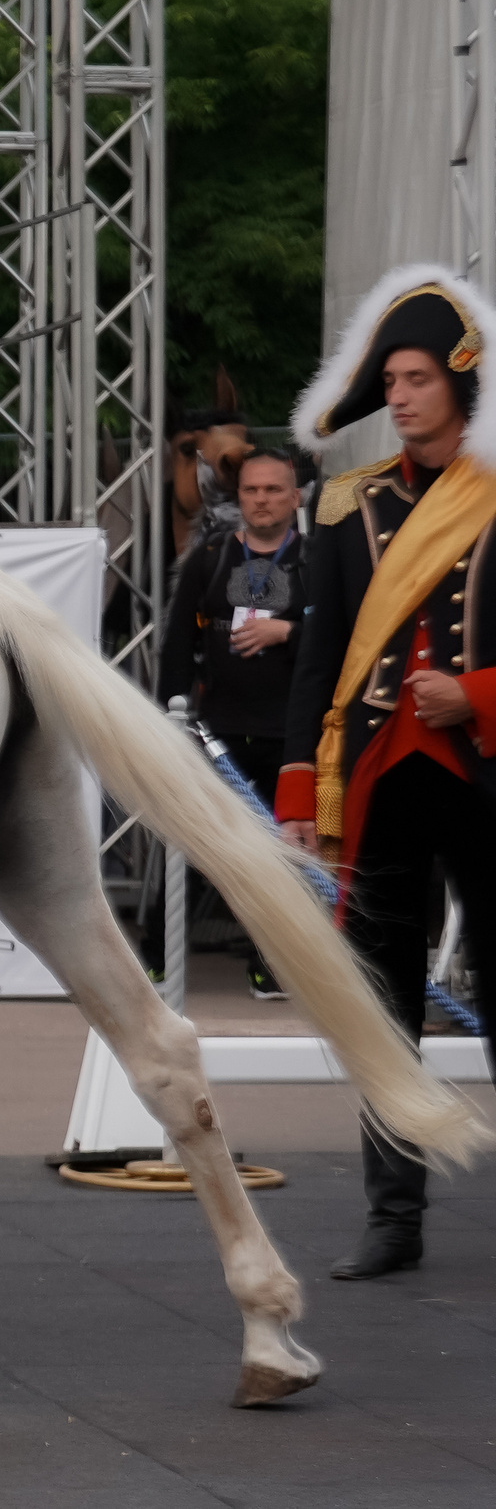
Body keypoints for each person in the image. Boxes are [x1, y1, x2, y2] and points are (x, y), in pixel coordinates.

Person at [275, 267, 496, 1281]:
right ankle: (392, 1219)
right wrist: (293, 791)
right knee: (379, 1006)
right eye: (391, 380)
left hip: (481, 771)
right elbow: (313, 665)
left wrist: (479, 694)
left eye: (415, 378)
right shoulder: (340, 507)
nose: (400, 396)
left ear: (461, 384)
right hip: (372, 779)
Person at [160, 446, 307, 998]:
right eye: (251, 490)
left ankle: (270, 966)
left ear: (295, 497)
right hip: (216, 734)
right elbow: (177, 645)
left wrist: (286, 632)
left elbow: (350, 643)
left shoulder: (316, 560)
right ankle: (154, 955)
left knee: (287, 857)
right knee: (193, 843)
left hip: (293, 737)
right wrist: (168, 723)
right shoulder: (210, 558)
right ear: (237, 497)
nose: (262, 500)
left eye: (273, 490)